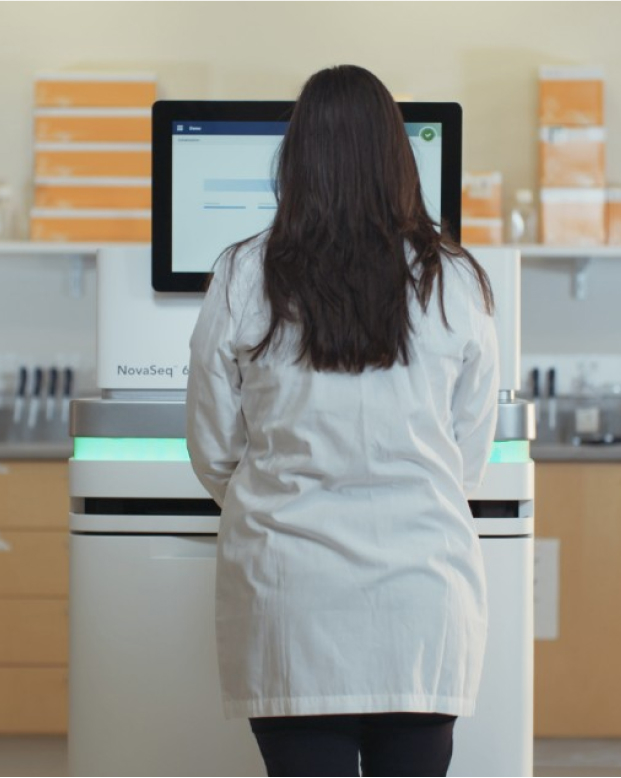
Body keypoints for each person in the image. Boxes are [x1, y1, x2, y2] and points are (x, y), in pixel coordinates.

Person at [186, 64, 499, 778]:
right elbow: (466, 456)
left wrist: (269, 499)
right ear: (398, 159)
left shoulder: (242, 273)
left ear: (295, 161)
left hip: (289, 595)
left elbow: (212, 448)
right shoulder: (454, 281)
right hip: (422, 594)